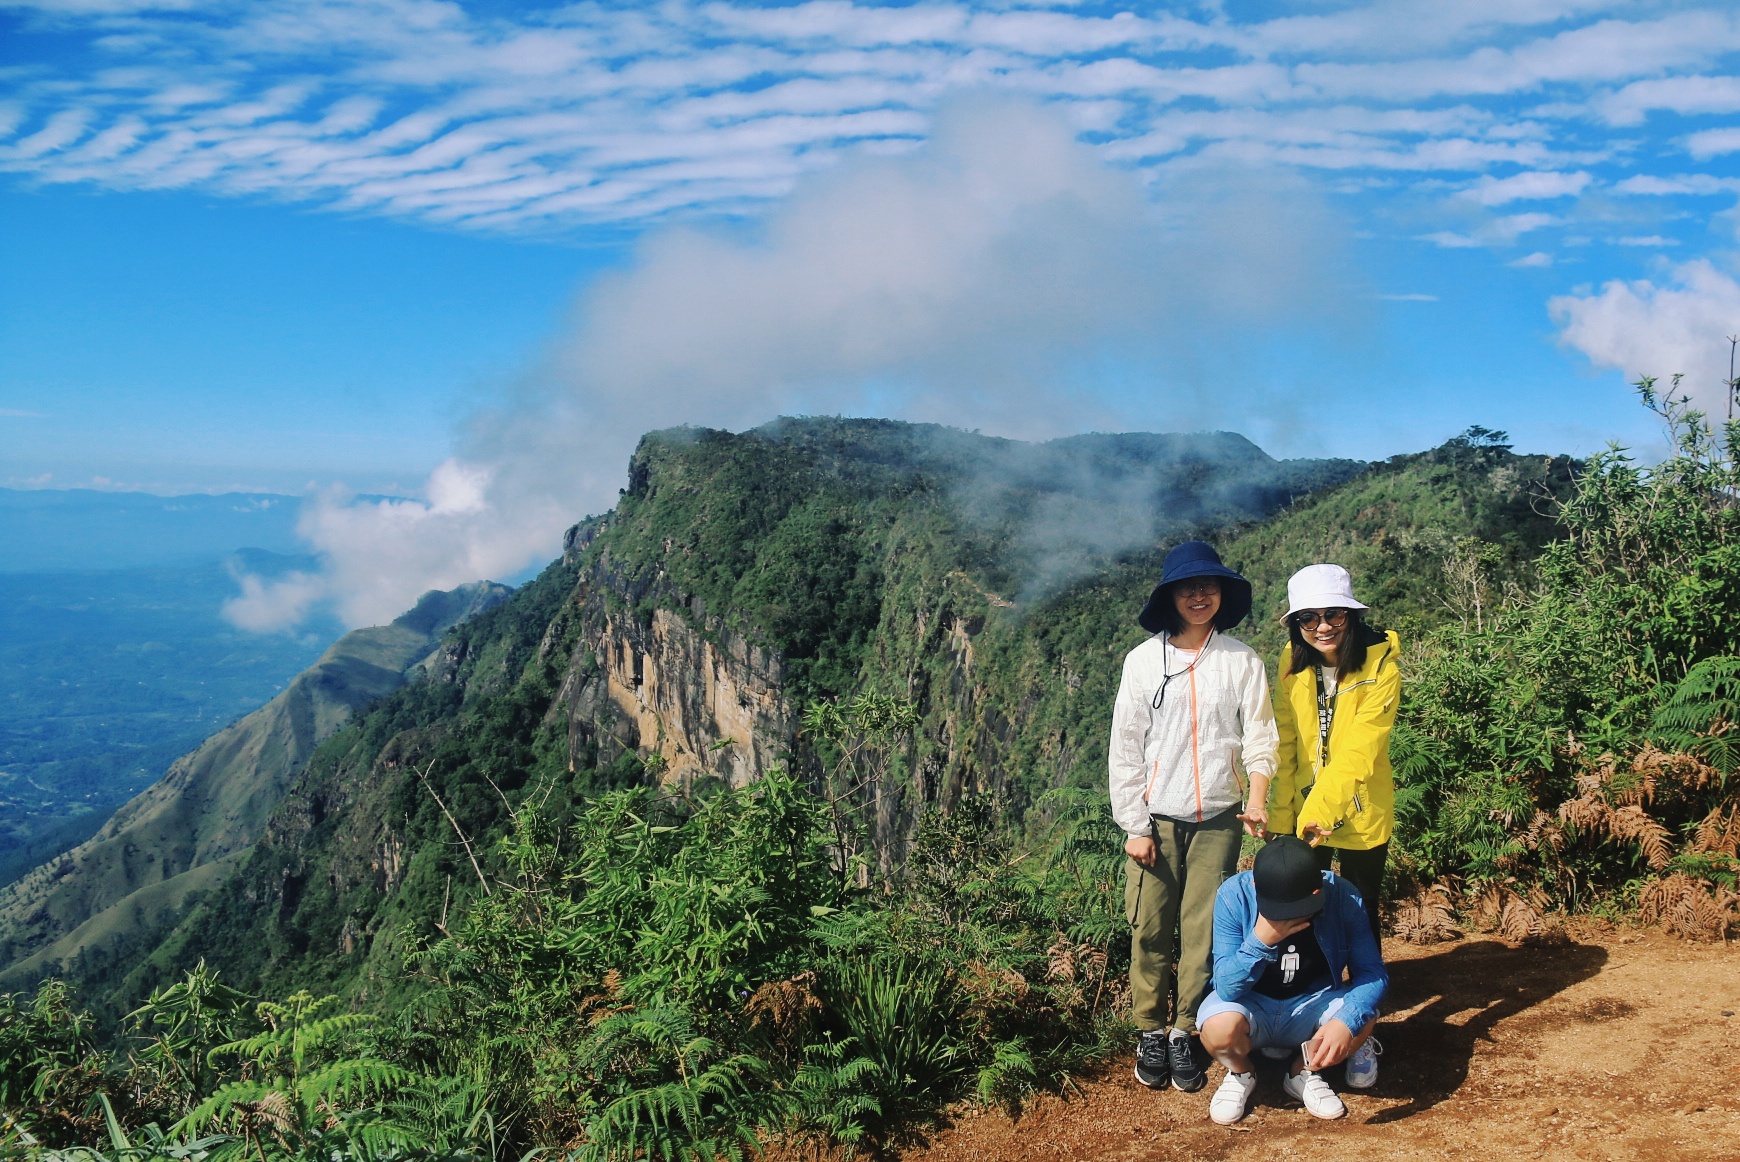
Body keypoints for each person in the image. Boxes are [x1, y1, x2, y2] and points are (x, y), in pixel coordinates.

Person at [1110, 541, 1278, 1094]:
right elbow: (1125, 747)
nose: (1199, 595)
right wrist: (1134, 824)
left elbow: (1259, 736)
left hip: (1220, 820)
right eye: (1188, 588)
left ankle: (1185, 1028)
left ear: (1222, 594)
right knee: (1152, 927)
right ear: (1171, 597)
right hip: (1156, 818)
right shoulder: (1142, 662)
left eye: (1208, 586)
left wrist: (1256, 798)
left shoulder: (1241, 660)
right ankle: (1148, 1031)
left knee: (1204, 930)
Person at [1197, 835, 1387, 1125]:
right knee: (1216, 1028)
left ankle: (1302, 1072)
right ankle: (1242, 1072)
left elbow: (1372, 972)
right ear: (1258, 888)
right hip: (1252, 1003)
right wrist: (1260, 941)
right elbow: (1226, 986)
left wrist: (1345, 1021)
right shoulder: (1234, 895)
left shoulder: (1343, 895)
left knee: (1364, 1014)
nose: (1293, 917)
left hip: (1315, 1000)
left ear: (1318, 887)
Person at [1268, 563, 1400, 944]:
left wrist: (1318, 814)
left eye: (1334, 614)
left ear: (1352, 616)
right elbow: (1286, 741)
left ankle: (1367, 990)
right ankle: (1319, 987)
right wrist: (1281, 815)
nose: (1322, 627)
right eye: (1308, 617)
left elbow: (1362, 749)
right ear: (1296, 623)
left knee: (1361, 906)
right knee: (1306, 909)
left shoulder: (1381, 667)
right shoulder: (1292, 662)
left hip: (1360, 806)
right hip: (1304, 808)